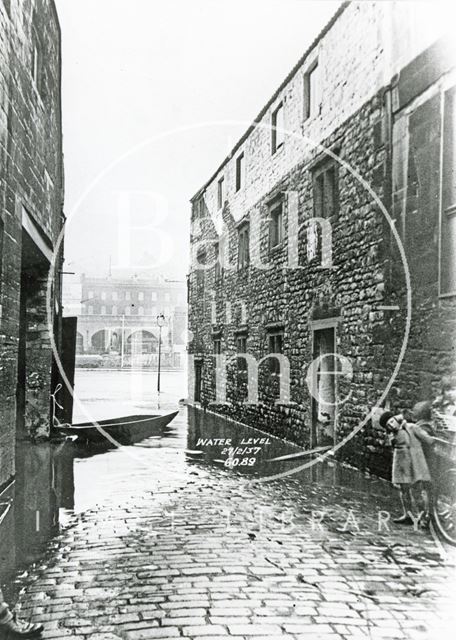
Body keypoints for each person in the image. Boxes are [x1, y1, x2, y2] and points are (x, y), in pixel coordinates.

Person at [379, 410, 436, 525]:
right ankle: (408, 515)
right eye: (388, 425)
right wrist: (390, 439)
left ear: (396, 418)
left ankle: (423, 516)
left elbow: (429, 440)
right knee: (403, 490)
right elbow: (388, 446)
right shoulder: (392, 435)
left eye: (391, 421)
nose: (391, 425)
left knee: (417, 491)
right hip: (400, 463)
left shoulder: (411, 427)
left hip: (413, 463)